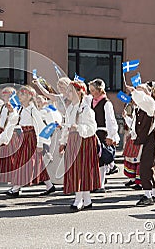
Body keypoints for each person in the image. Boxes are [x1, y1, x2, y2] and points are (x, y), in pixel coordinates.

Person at [5, 86, 54, 197]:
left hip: (31, 138)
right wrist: (12, 111)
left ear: (29, 96)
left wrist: (40, 144)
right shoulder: (22, 108)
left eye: (22, 94)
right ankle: (49, 185)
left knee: (23, 162)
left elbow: (40, 127)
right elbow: (16, 121)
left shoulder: (33, 110)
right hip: (24, 137)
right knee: (36, 162)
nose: (19, 96)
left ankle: (16, 187)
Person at [60, 81, 100, 212]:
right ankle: (87, 199)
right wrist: (63, 142)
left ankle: (79, 199)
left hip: (84, 141)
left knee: (82, 169)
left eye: (70, 91)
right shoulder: (70, 108)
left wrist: (78, 127)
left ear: (79, 92)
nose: (68, 93)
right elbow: (66, 126)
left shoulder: (86, 109)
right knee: (75, 169)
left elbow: (92, 127)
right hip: (73, 140)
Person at [126, 83, 155, 206]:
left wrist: (135, 91)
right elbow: (135, 126)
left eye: (141, 91)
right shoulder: (140, 108)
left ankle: (148, 194)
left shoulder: (150, 105)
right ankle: (154, 193)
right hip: (145, 141)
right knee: (148, 167)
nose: (138, 94)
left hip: (151, 141)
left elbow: (144, 100)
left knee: (145, 168)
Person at [88, 79, 120, 193]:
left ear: (99, 90)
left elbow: (111, 120)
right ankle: (96, 182)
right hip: (93, 133)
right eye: (90, 90)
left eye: (93, 90)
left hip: (102, 133)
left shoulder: (106, 103)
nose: (91, 92)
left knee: (101, 158)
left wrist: (112, 135)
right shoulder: (91, 101)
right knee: (94, 159)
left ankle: (101, 184)